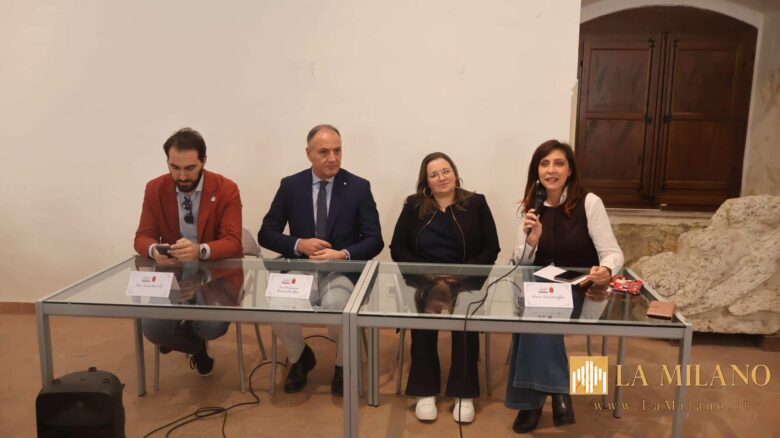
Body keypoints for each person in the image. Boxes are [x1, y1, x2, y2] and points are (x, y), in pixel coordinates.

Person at [506, 140, 623, 433]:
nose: (551, 170)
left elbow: (613, 253)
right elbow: (520, 262)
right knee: (535, 305)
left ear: (570, 170)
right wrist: (531, 242)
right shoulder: (532, 206)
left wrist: (606, 270)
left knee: (534, 313)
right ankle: (559, 390)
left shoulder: (589, 202)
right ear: (536, 171)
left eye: (558, 163)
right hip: (541, 289)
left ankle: (530, 404)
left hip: (579, 289)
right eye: (544, 164)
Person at [258, 124, 383, 395]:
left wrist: (342, 254)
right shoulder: (291, 186)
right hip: (301, 269)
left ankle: (343, 364)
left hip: (341, 270)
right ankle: (299, 356)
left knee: (338, 307)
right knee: (276, 306)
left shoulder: (358, 187)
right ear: (309, 154)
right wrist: (298, 244)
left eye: (338, 151)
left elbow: (375, 240)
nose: (333, 158)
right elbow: (266, 234)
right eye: (324, 152)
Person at [389, 152, 500, 423]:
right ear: (426, 181)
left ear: (455, 173)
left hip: (466, 280)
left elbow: (491, 248)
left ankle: (464, 393)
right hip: (425, 279)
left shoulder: (476, 203)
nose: (441, 177)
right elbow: (398, 248)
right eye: (434, 174)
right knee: (425, 309)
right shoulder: (414, 205)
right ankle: (425, 390)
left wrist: (460, 274)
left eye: (446, 171)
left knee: (464, 314)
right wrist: (427, 274)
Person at [134, 127, 243, 376]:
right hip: (172, 274)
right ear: (167, 162)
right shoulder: (155, 188)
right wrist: (154, 250)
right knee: (153, 329)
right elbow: (142, 237)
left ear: (203, 161)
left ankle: (189, 334)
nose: (182, 176)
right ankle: (196, 347)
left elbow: (233, 242)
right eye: (174, 167)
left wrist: (199, 250)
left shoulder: (226, 188)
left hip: (216, 274)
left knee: (210, 327)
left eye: (190, 168)